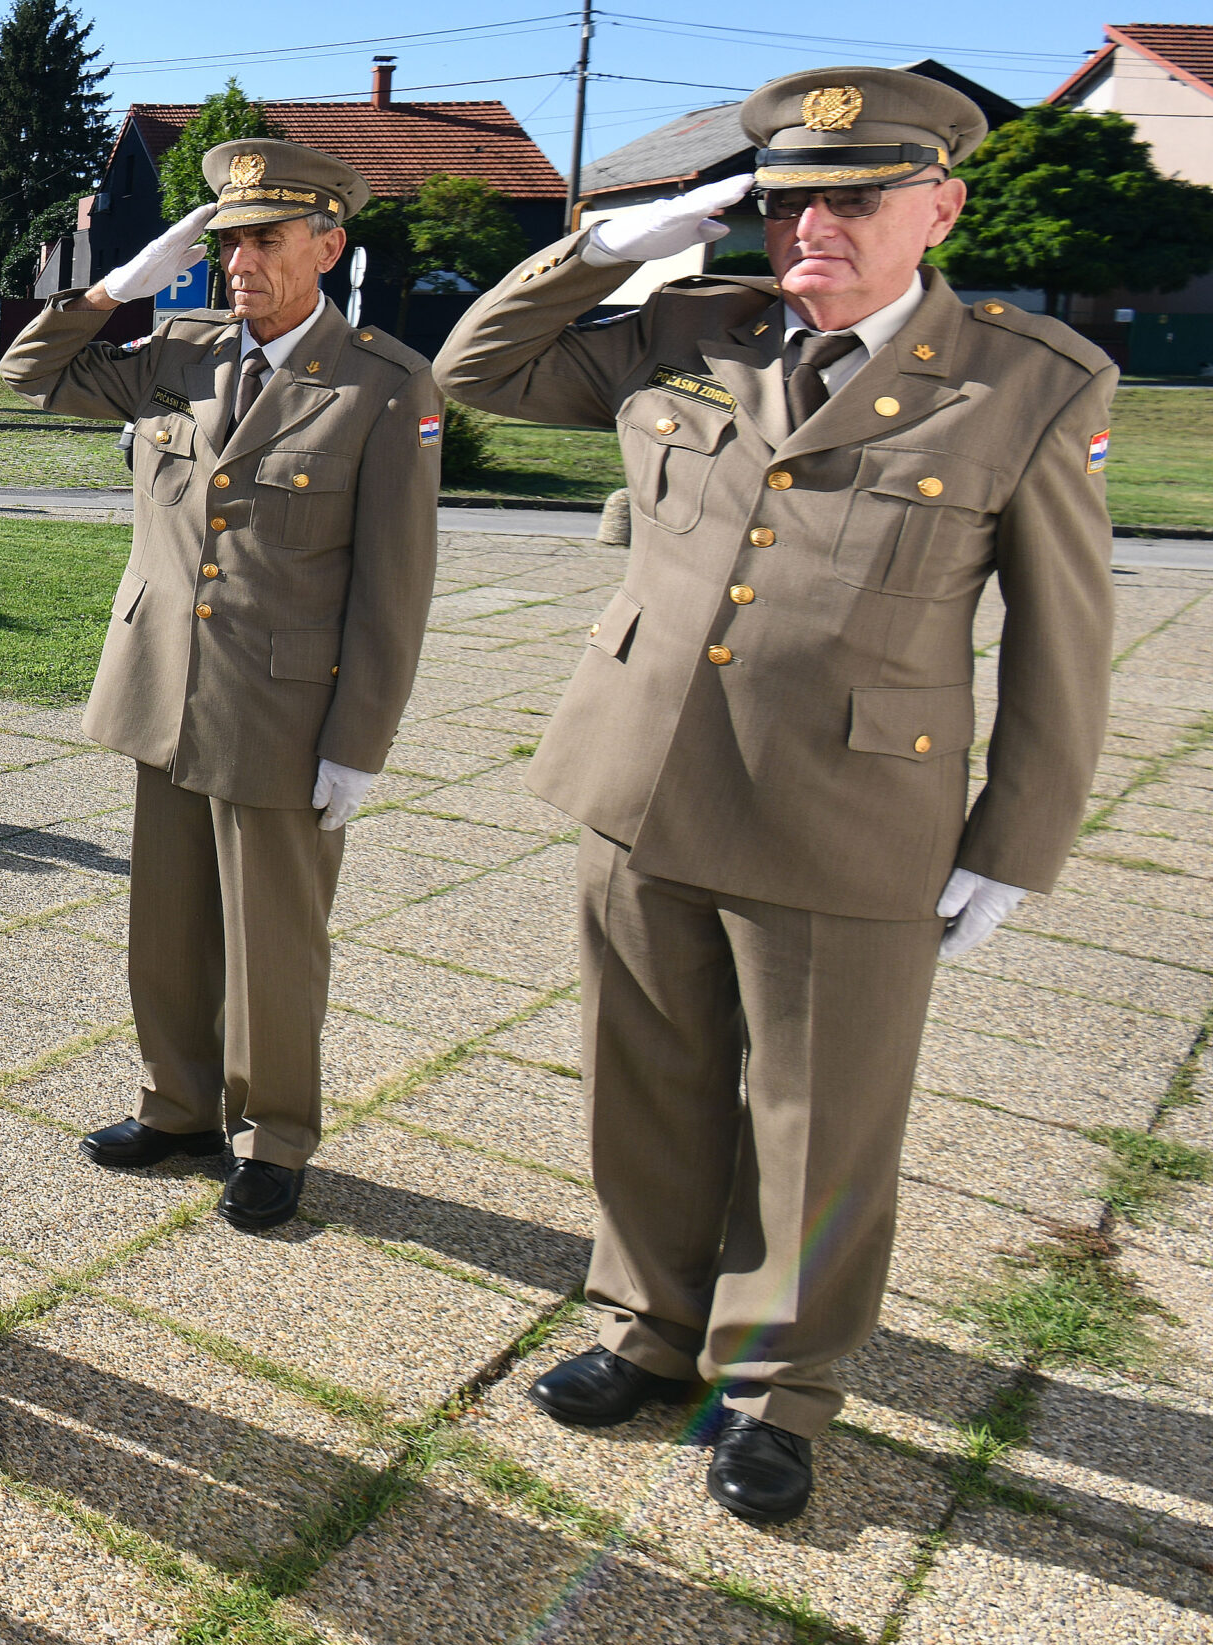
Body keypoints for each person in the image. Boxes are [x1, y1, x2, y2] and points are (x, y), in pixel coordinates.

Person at [434, 67, 1116, 1522]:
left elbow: (1064, 635)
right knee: (647, 1078)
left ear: (941, 207)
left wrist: (1015, 839)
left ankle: (776, 1388)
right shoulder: (695, 331)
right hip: (644, 780)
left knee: (819, 1122)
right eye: (791, 198)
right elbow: (475, 371)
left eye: (854, 199)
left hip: (850, 813)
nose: (814, 224)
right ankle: (646, 1326)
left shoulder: (1026, 382)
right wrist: (611, 246)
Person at [0, 140, 442, 1232]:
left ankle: (273, 1135)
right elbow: (29, 373)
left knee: (272, 942)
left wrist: (358, 743)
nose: (239, 261)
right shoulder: (179, 352)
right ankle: (179, 1105)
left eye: (266, 239)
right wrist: (113, 289)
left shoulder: (384, 385)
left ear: (327, 248)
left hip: (284, 709)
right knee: (167, 925)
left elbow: (394, 587)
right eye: (228, 240)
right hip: (164, 688)